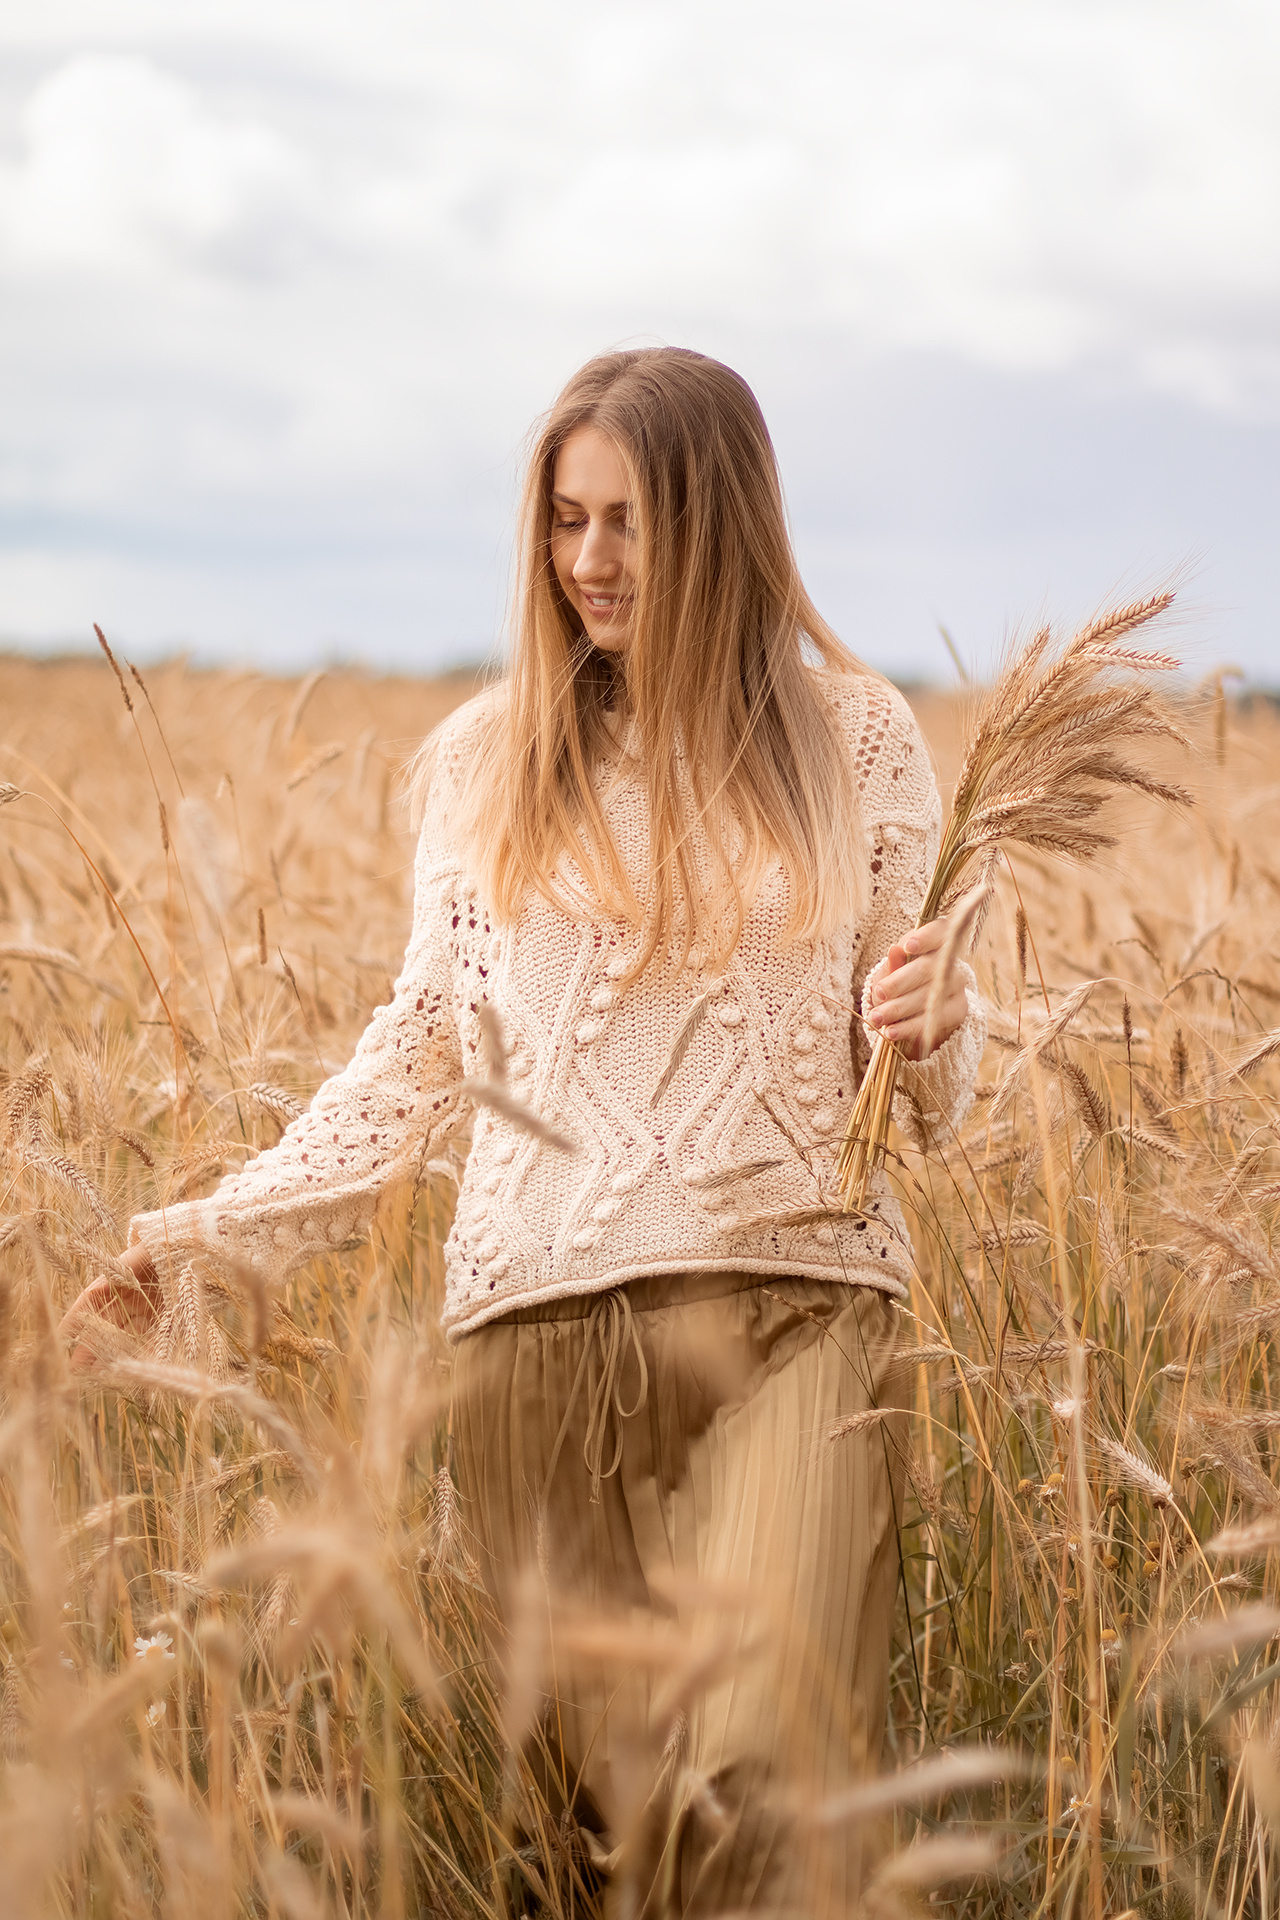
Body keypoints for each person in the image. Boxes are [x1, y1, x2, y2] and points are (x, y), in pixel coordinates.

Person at [66, 348, 984, 1915]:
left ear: (723, 520)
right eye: (565, 521)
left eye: (629, 521)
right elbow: (423, 1055)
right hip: (536, 1342)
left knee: (764, 1785)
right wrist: (213, 1235)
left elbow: (922, 1092)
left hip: (798, 1312)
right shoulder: (491, 759)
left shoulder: (862, 738)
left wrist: (944, 1028)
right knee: (606, 1846)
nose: (592, 563)